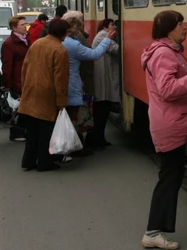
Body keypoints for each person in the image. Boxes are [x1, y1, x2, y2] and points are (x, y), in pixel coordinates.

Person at [140, 10, 187, 250]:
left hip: (170, 121)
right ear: (169, 29)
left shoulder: (165, 51)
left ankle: (155, 230)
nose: (185, 27)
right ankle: (153, 231)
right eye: (180, 23)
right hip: (171, 123)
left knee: (171, 177)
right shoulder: (164, 53)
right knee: (169, 178)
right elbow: (168, 89)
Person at [19, 18, 70, 172]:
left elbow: (25, 68)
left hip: (30, 91)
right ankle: (45, 162)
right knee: (46, 131)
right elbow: (60, 79)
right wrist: (61, 102)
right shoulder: (60, 50)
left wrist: (24, 87)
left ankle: (28, 160)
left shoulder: (37, 44)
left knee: (33, 130)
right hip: (47, 95)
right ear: (63, 33)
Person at [62, 12, 115, 154]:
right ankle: (74, 147)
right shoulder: (72, 43)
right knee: (74, 116)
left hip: (72, 81)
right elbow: (94, 54)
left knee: (72, 115)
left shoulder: (65, 41)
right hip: (73, 82)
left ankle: (74, 146)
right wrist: (107, 40)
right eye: (79, 24)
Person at [90, 18, 121, 149]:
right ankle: (97, 139)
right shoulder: (103, 36)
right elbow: (116, 50)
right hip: (103, 80)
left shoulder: (101, 35)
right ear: (105, 27)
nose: (115, 26)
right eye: (112, 24)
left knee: (102, 111)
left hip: (104, 78)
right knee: (102, 111)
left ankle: (99, 138)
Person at [1, 15, 30, 141]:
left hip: (27, 78)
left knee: (25, 107)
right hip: (18, 81)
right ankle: (16, 132)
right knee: (17, 107)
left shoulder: (26, 40)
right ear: (14, 28)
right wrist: (9, 85)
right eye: (22, 25)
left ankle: (24, 130)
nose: (25, 27)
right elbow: (7, 66)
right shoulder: (9, 44)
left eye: (25, 24)